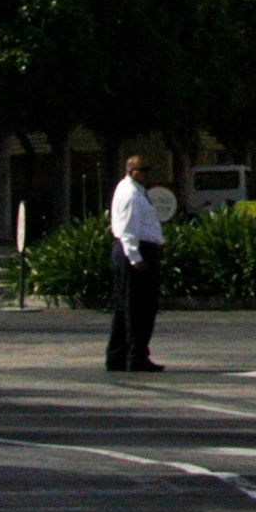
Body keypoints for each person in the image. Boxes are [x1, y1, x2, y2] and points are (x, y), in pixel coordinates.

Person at [106, 154, 165, 372]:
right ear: (132, 171)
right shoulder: (131, 194)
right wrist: (135, 258)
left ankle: (117, 356)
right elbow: (128, 230)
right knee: (139, 309)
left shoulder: (132, 190)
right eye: (144, 170)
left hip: (137, 250)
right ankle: (136, 356)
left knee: (126, 307)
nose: (148, 174)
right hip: (136, 252)